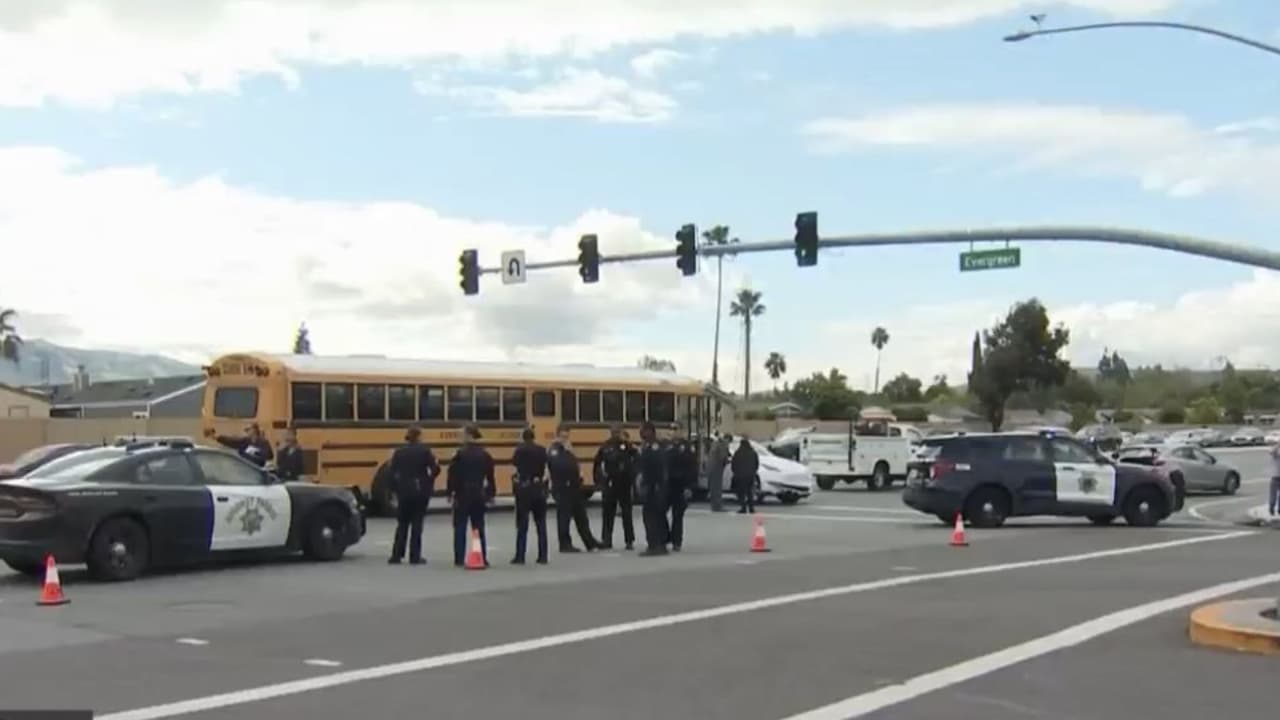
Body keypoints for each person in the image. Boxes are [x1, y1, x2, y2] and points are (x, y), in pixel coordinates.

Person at [387, 425, 440, 565]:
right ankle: (415, 556)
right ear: (419, 436)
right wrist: (428, 481)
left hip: (404, 491)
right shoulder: (425, 451)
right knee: (417, 523)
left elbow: (392, 472)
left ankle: (396, 555)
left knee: (402, 524)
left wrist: (395, 489)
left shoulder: (399, 452)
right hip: (420, 491)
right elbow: (435, 469)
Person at [447, 424, 495, 567]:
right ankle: (481, 556)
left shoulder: (459, 454)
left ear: (469, 435)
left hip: (462, 494)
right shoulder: (485, 454)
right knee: (478, 527)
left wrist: (450, 492)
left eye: (462, 434)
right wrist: (491, 494)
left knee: (460, 526)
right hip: (478, 493)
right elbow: (490, 476)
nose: (460, 437)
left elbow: (452, 475)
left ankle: (459, 557)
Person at [547, 424, 599, 553]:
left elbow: (574, 463)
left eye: (567, 435)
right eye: (563, 436)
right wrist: (566, 450)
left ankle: (590, 542)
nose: (565, 438)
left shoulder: (568, 448)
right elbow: (559, 466)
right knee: (564, 517)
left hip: (574, 487)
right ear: (558, 435)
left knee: (581, 516)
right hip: (562, 487)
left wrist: (579, 475)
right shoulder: (554, 449)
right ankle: (565, 544)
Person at [594, 424, 637, 551]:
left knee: (627, 513)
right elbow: (597, 464)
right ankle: (606, 539)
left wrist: (632, 476)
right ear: (610, 433)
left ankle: (629, 540)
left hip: (624, 483)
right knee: (608, 513)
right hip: (610, 483)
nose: (616, 434)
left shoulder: (627, 446)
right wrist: (600, 481)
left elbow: (637, 458)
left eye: (618, 432)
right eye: (614, 432)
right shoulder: (605, 446)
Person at [511, 427, 550, 565]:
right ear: (534, 437)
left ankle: (520, 556)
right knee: (541, 524)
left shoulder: (519, 450)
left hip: (524, 488)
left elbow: (515, 466)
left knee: (522, 525)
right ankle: (543, 555)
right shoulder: (541, 450)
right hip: (538, 488)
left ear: (523, 437)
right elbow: (545, 467)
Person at [636, 421, 670, 556]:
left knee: (651, 517)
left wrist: (653, 485)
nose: (641, 434)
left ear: (650, 432)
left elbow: (658, 469)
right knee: (657, 517)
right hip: (654, 487)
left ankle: (654, 545)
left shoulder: (654, 448)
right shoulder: (648, 447)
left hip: (654, 488)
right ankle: (660, 544)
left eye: (643, 431)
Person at [666, 425, 698, 552]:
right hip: (668, 485)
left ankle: (676, 541)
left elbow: (692, 467)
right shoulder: (667, 446)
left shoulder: (687, 448)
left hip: (681, 485)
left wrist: (689, 487)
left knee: (677, 515)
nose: (674, 432)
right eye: (672, 429)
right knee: (659, 511)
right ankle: (666, 536)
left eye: (676, 429)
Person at [731, 437, 760, 515]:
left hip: (740, 476)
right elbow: (757, 464)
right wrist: (753, 472)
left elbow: (733, 464)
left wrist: (735, 473)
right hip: (750, 476)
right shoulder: (753, 452)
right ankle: (751, 508)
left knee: (741, 493)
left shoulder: (738, 453)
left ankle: (743, 508)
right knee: (750, 492)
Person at [706, 433, 731, 512]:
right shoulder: (722, 444)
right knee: (717, 488)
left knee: (713, 488)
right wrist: (728, 461)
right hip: (717, 467)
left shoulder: (715, 443)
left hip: (711, 467)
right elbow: (723, 457)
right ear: (727, 439)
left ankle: (714, 506)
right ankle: (718, 506)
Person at [1270, 438, 1280, 516]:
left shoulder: (1276, 453)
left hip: (1275, 476)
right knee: (1273, 493)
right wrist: (1278, 445)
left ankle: (1275, 508)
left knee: (1273, 493)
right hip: (1275, 476)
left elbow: (1272, 452)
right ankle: (1272, 507)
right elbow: (1272, 452)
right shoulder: (1276, 453)